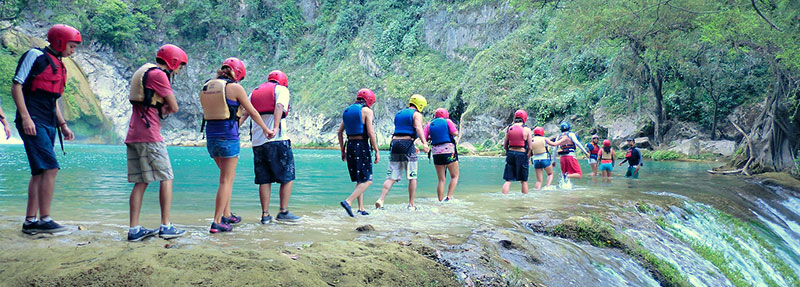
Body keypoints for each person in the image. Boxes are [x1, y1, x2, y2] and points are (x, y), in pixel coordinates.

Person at [13, 24, 80, 235]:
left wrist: (63, 125)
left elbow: (54, 99)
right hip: (33, 119)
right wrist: (25, 118)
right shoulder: (35, 55)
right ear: (60, 42)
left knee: (39, 171)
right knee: (50, 168)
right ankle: (45, 219)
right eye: (71, 46)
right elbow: (17, 86)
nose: (73, 51)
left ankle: (30, 222)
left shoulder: (59, 64)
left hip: (49, 122)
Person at [201, 58, 272, 233]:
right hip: (228, 139)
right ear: (238, 73)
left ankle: (226, 214)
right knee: (226, 180)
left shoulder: (207, 87)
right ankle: (217, 221)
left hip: (211, 140)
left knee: (226, 178)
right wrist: (265, 129)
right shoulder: (235, 88)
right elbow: (252, 111)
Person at [125, 44, 187, 241]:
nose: (179, 70)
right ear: (173, 61)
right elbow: (174, 106)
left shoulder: (144, 71)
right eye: (180, 66)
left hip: (134, 132)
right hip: (150, 134)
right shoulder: (159, 75)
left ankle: (134, 230)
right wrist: (167, 109)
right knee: (167, 177)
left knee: (140, 182)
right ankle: (166, 226)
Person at [241, 70, 301, 223]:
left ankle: (265, 215)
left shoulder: (253, 93)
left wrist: (233, 130)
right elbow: (280, 106)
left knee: (264, 179)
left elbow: (244, 114)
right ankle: (283, 211)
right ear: (282, 81)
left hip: (258, 142)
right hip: (278, 139)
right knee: (287, 175)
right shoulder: (282, 90)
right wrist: (275, 128)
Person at [375, 94, 430, 210]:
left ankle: (381, 199)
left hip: (394, 144)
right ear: (420, 105)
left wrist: (413, 144)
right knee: (412, 176)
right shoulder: (416, 114)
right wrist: (424, 143)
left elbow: (401, 131)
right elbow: (418, 128)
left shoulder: (398, 114)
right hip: (407, 145)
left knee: (391, 176)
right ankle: (411, 204)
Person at [337, 89, 379, 217]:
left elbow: (339, 132)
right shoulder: (366, 111)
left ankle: (361, 208)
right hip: (361, 145)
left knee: (360, 178)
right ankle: (348, 201)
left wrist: (342, 150)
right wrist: (377, 150)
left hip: (349, 145)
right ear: (369, 100)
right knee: (368, 180)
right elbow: (371, 133)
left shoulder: (347, 111)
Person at [424, 108, 459, 202]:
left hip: (436, 153)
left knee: (441, 179)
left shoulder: (429, 124)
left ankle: (439, 200)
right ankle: (448, 197)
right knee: (454, 176)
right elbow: (455, 133)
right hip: (449, 152)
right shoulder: (447, 121)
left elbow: (424, 137)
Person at [502, 110, 533, 194]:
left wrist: (509, 153)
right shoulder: (527, 129)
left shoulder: (509, 128)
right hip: (522, 154)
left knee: (508, 180)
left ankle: (504, 198)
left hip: (511, 154)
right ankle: (524, 201)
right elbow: (530, 147)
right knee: (523, 180)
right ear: (524, 118)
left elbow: (505, 145)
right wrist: (528, 157)